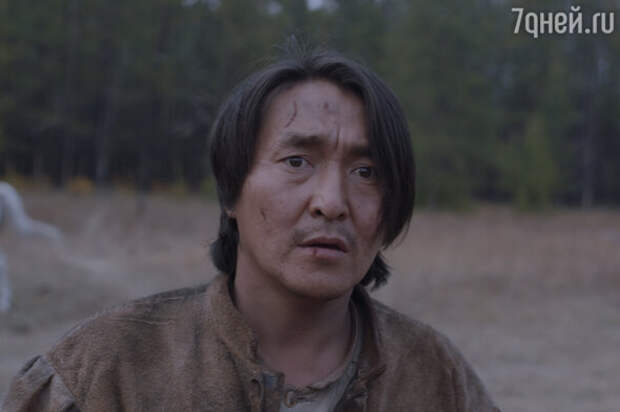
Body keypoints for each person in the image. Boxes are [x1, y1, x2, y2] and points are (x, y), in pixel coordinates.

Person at [2, 47, 500, 411]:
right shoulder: (105, 372)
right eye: (297, 161)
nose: (331, 203)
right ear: (231, 191)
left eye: (366, 172)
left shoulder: (436, 377)